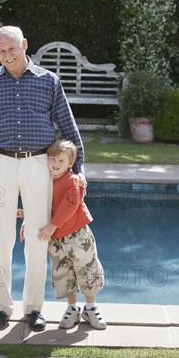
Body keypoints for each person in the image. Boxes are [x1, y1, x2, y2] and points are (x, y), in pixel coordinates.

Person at [0, 25, 84, 332]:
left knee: (38, 238)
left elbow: (67, 127)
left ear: (25, 45)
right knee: (1, 238)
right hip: (0, 163)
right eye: (0, 51)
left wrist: (79, 169)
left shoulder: (48, 81)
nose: (7, 56)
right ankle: (1, 308)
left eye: (11, 49)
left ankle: (33, 309)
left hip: (39, 164)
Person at [37, 138, 106, 330]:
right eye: (52, 159)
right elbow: (43, 206)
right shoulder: (45, 181)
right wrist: (27, 216)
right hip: (56, 239)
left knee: (87, 269)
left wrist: (52, 225)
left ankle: (90, 307)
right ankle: (72, 309)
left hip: (77, 235)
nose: (56, 164)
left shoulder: (73, 180)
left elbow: (70, 204)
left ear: (70, 163)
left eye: (61, 160)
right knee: (64, 273)